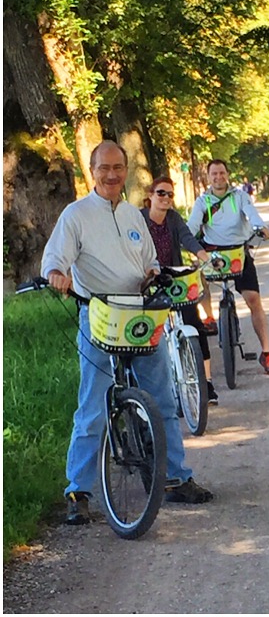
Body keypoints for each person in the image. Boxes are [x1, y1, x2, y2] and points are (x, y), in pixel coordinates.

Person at [41, 141, 213, 526]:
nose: (112, 175)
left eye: (118, 167)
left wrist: (155, 273)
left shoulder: (135, 217)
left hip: (140, 315)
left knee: (163, 400)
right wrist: (57, 274)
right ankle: (79, 491)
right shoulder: (76, 215)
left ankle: (175, 477)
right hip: (100, 315)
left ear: (126, 170)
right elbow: (56, 257)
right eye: (105, 168)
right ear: (92, 170)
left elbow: (149, 260)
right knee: (93, 405)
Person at [187, 158, 269, 375]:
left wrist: (260, 227)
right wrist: (185, 239)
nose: (218, 177)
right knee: (200, 279)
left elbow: (252, 213)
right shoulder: (203, 202)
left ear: (227, 174)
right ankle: (209, 318)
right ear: (208, 177)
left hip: (239, 252)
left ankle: (267, 353)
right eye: (214, 174)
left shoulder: (239, 196)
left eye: (221, 173)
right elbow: (192, 224)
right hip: (213, 252)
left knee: (254, 300)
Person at [141, 176, 219, 405]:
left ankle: (206, 383)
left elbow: (188, 239)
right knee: (149, 333)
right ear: (150, 195)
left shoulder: (173, 219)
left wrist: (205, 257)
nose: (165, 198)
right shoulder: (139, 218)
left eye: (170, 194)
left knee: (195, 324)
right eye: (161, 193)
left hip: (173, 275)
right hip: (148, 279)